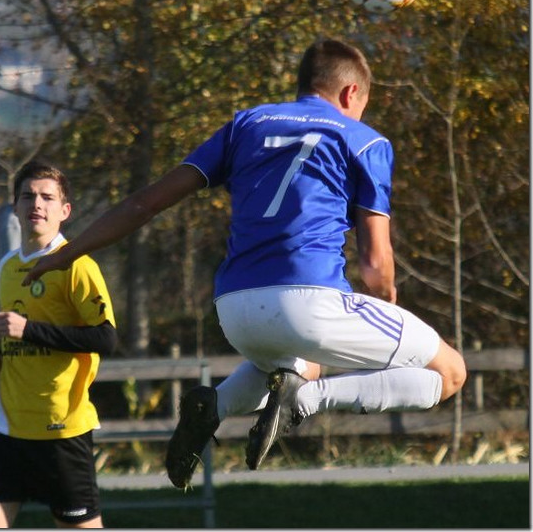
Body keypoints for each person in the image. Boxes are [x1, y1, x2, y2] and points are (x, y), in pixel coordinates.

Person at [23, 39, 467, 489]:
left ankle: (213, 407)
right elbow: (375, 264)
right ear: (352, 93)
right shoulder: (364, 140)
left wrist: (66, 253)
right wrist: (385, 303)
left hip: (235, 309)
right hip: (310, 303)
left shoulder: (246, 125)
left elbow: (145, 204)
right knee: (449, 373)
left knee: (302, 362)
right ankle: (306, 402)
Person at [0, 161, 118, 528]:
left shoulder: (77, 265)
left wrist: (29, 331)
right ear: (15, 207)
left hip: (59, 431)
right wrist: (1, 360)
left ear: (65, 211)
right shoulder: (7, 266)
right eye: (28, 196)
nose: (37, 203)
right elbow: (22, 335)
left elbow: (105, 338)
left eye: (47, 197)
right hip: (3, 427)